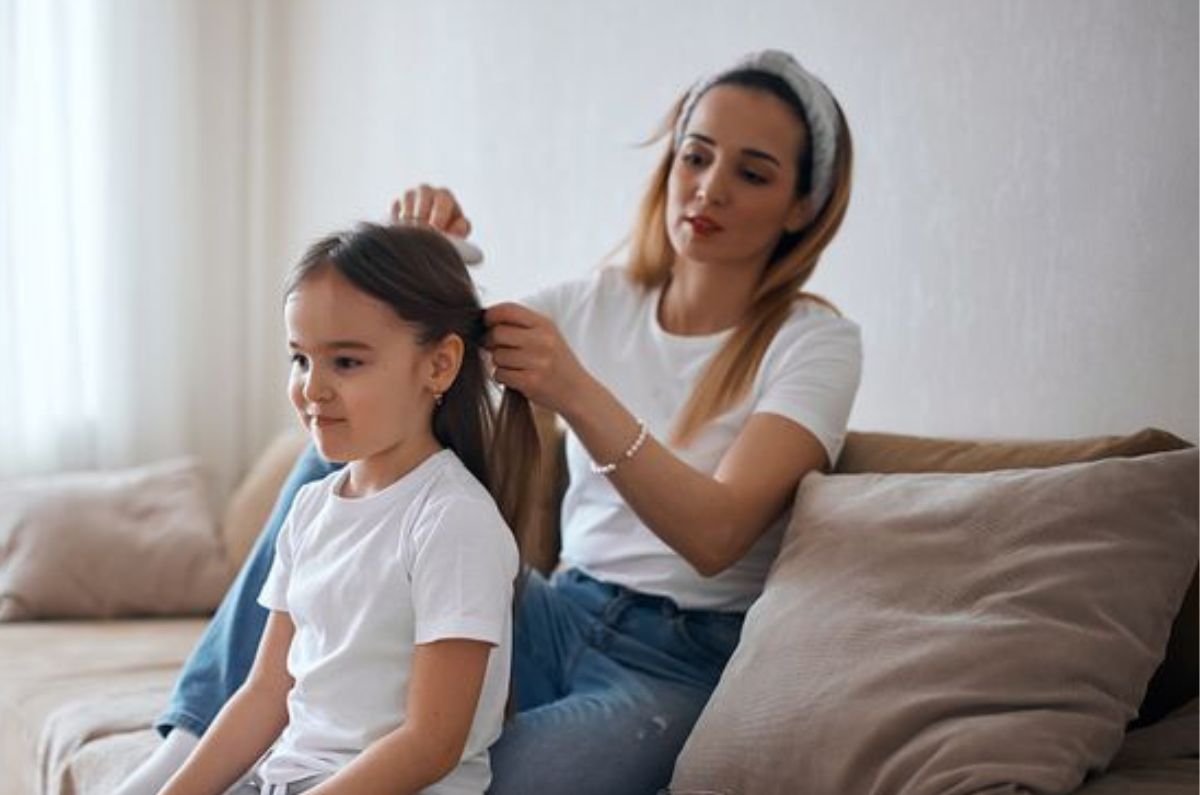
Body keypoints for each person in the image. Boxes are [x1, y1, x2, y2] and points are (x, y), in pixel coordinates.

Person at [118, 48, 862, 795]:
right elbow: (418, 359)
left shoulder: (813, 343)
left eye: (752, 172)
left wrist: (577, 391)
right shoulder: (597, 301)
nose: (709, 188)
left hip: (673, 660)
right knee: (340, 449)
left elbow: (718, 535)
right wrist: (427, 253)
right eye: (694, 156)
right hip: (554, 609)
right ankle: (179, 749)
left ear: (803, 205)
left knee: (466, 778)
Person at [156, 222, 534, 795]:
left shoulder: (454, 521)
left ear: (438, 366)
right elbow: (265, 692)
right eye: (300, 359)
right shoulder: (310, 508)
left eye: (347, 363)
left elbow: (430, 744)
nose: (312, 388)